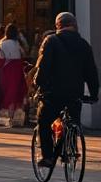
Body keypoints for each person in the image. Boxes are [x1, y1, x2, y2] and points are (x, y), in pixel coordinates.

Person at [34, 12, 99, 169]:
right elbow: (91, 72)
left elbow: (43, 68)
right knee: (72, 121)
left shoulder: (51, 41)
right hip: (75, 93)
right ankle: (70, 149)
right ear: (74, 25)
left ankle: (48, 156)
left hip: (53, 93)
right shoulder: (84, 44)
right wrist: (94, 94)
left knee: (43, 121)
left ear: (58, 25)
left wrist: (38, 83)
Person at [0, 23, 28, 126]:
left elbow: (0, 56)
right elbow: (24, 52)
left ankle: (9, 116)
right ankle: (16, 117)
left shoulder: (2, 43)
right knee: (17, 91)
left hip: (7, 68)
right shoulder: (17, 43)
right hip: (18, 68)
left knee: (9, 91)